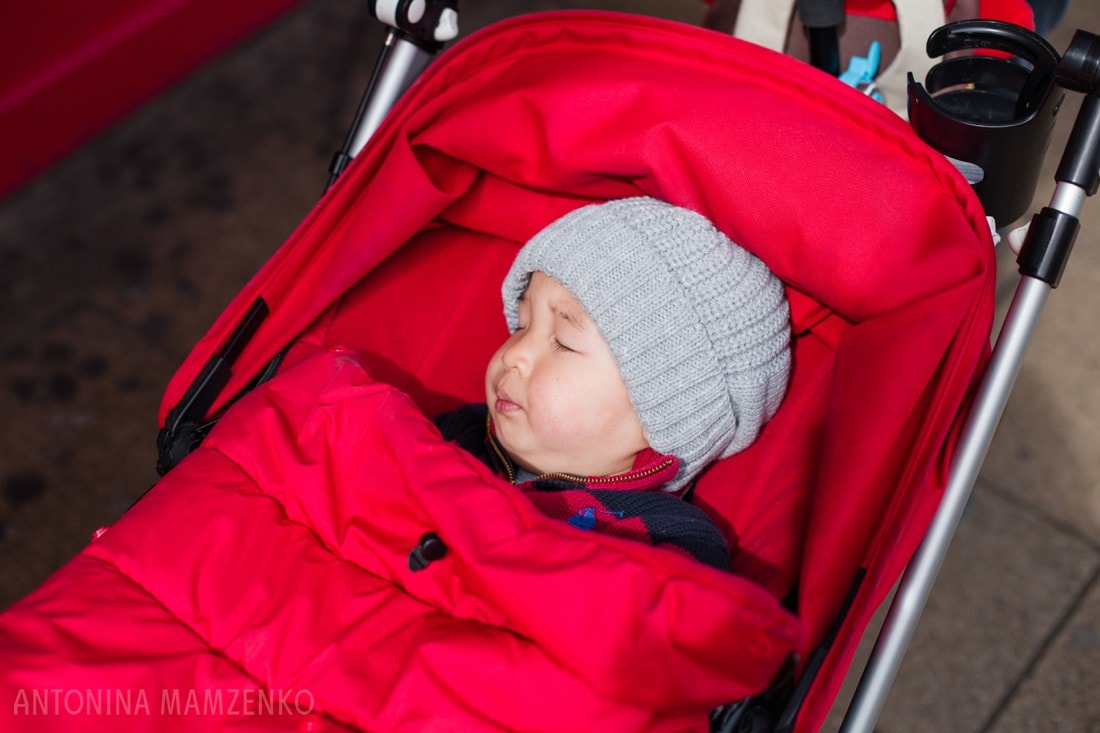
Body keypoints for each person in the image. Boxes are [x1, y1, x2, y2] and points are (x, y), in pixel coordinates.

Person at [435, 197, 792, 572]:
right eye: (522, 325)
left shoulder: (665, 544)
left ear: (659, 415)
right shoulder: (456, 436)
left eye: (563, 341)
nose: (513, 354)